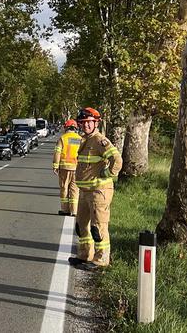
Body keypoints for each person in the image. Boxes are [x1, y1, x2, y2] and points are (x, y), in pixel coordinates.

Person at [68, 107, 122, 271]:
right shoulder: (85, 139)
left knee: (98, 227)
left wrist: (107, 173)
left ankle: (101, 259)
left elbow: (117, 160)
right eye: (82, 123)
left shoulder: (100, 141)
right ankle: (85, 255)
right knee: (81, 225)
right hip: (85, 192)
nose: (85, 126)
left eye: (88, 123)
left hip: (99, 191)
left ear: (96, 123)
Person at [52, 119, 82, 216]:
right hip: (77, 168)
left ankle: (65, 210)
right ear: (75, 128)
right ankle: (74, 211)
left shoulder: (63, 138)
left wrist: (55, 166)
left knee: (64, 188)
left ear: (66, 127)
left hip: (64, 168)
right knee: (74, 189)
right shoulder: (80, 139)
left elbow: (57, 153)